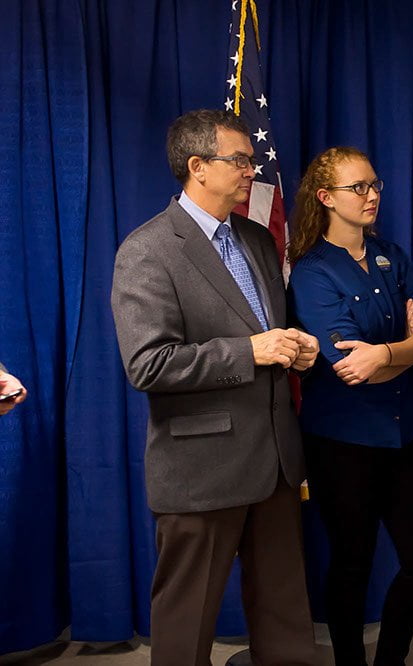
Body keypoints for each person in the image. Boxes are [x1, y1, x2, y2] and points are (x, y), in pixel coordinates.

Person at [110, 109, 320, 666]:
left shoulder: (254, 237)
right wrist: (251, 352)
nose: (252, 169)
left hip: (275, 458)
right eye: (240, 160)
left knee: (285, 618)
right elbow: (148, 364)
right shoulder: (147, 249)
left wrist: (297, 346)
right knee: (185, 627)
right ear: (197, 166)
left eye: (252, 159)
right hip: (200, 469)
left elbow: (265, 330)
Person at [287, 146, 413, 666]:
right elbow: (349, 367)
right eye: (360, 188)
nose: (373, 195)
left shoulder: (390, 255)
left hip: (403, 433)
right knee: (352, 562)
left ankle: (390, 659)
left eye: (375, 185)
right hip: (342, 442)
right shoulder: (312, 272)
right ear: (326, 197)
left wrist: (385, 351)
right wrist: (401, 348)